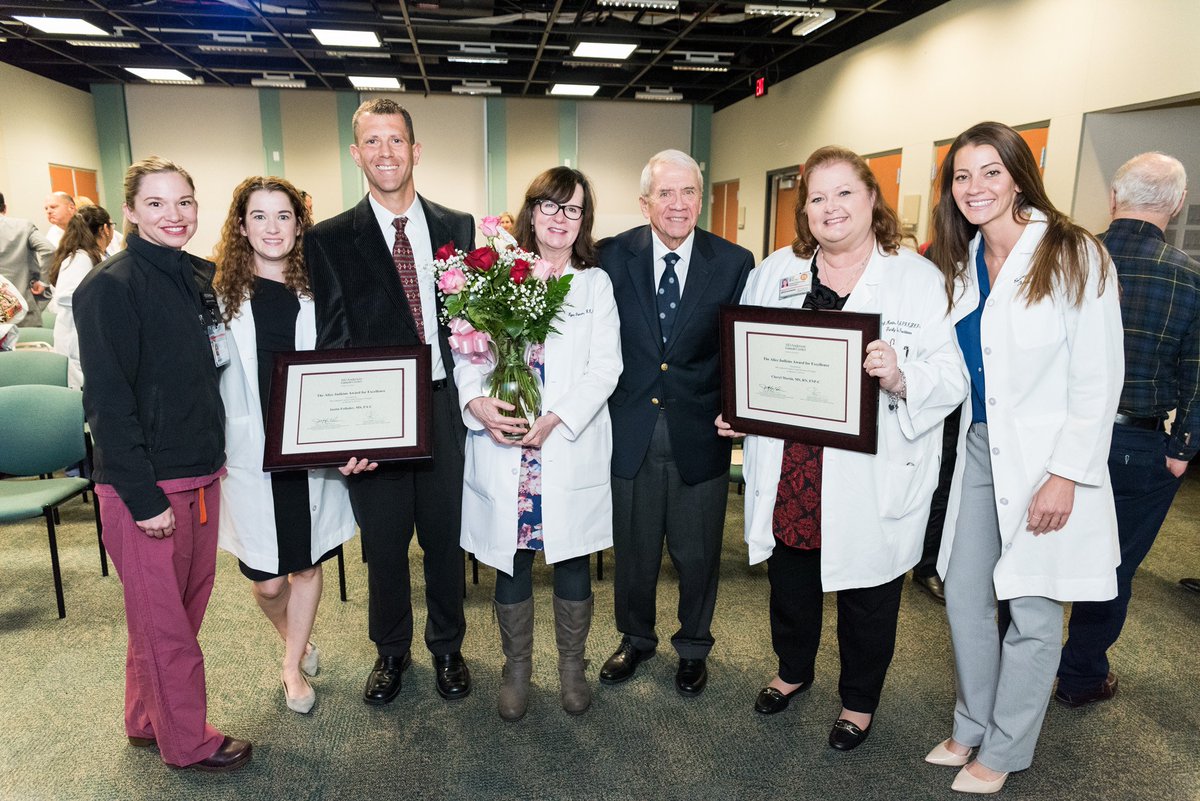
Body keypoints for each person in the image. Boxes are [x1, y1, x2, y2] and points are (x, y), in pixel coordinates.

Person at [716, 146, 966, 750]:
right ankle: (792, 670)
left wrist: (901, 374)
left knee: (869, 594)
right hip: (793, 464)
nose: (831, 208)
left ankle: (858, 702)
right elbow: (751, 355)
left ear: (872, 199)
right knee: (791, 580)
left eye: (844, 194)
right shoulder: (778, 269)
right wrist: (741, 411)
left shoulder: (915, 278)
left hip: (868, 466)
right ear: (804, 210)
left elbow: (954, 378)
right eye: (817, 198)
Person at [924, 121, 1122, 794]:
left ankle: (1005, 747)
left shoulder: (1074, 252)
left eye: (989, 171)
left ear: (1018, 174)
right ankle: (972, 720)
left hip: (1047, 459)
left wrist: (1066, 474)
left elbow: (1098, 377)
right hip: (982, 447)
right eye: (961, 175)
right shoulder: (962, 260)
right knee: (964, 593)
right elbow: (958, 370)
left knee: (1033, 610)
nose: (974, 187)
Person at [74, 156, 252, 772]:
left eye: (184, 202)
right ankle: (187, 741)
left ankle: (146, 718)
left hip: (202, 473)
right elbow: (108, 402)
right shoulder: (109, 287)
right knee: (166, 628)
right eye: (156, 204)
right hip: (145, 488)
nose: (174, 216)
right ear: (129, 211)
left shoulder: (199, 276)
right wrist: (144, 498)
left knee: (174, 614)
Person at [306, 98, 476, 705]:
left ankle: (449, 648)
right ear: (356, 154)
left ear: (415, 149)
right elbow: (332, 340)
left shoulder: (458, 228)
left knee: (443, 538)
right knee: (383, 544)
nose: (385, 152)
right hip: (374, 416)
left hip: (443, 408)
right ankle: (391, 652)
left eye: (396, 141)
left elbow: (471, 325)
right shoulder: (327, 239)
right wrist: (344, 434)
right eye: (372, 142)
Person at [457, 167, 622, 720]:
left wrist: (556, 417)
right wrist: (477, 403)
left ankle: (571, 668)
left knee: (572, 557)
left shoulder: (594, 284)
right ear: (530, 213)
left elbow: (606, 367)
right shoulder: (501, 278)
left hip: (563, 442)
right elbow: (468, 352)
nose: (561, 219)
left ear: (584, 221)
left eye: (573, 210)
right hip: (507, 444)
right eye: (551, 207)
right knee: (513, 558)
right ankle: (517, 669)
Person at [598, 149, 754, 697]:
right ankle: (635, 639)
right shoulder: (609, 256)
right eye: (666, 193)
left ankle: (693, 646)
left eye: (689, 192)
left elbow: (742, 348)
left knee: (698, 553)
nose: (678, 204)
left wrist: (742, 408)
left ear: (701, 199)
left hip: (701, 432)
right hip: (629, 430)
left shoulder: (734, 262)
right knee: (634, 552)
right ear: (645, 203)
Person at [1055, 153, 1198, 707]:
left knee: (1035, 559)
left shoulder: (1062, 258)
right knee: (1112, 567)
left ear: (1114, 199)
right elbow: (1198, 375)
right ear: (1177, 204)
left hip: (1056, 438)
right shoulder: (1190, 277)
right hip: (1140, 448)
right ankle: (1081, 678)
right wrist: (1183, 448)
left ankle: (1013, 669)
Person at [212, 176, 357, 715]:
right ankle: (293, 640)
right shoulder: (219, 296)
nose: (272, 228)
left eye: (283, 216)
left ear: (300, 225)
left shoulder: (319, 290)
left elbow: (344, 369)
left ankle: (292, 664)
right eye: (259, 216)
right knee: (269, 584)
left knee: (306, 565)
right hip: (250, 452)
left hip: (307, 450)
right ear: (241, 225)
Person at [48, 204, 114, 388]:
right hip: (77, 343)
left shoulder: (86, 256)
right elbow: (67, 297)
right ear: (104, 229)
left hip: (81, 340)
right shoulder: (81, 259)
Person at [0, 205, 53, 327]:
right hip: (24, 305)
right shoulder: (24, 227)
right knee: (30, 344)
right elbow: (49, 250)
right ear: (5, 208)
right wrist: (44, 282)